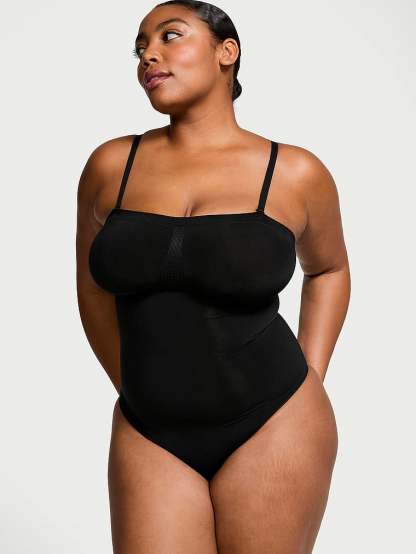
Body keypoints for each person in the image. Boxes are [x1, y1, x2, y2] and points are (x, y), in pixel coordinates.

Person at [76, 1, 350, 552]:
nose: (148, 55)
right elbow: (91, 287)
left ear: (227, 52)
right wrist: (133, 384)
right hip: (149, 429)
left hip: (275, 420)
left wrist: (313, 374)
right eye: (140, 47)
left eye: (170, 36)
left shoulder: (294, 171)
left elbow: (329, 269)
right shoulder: (110, 165)